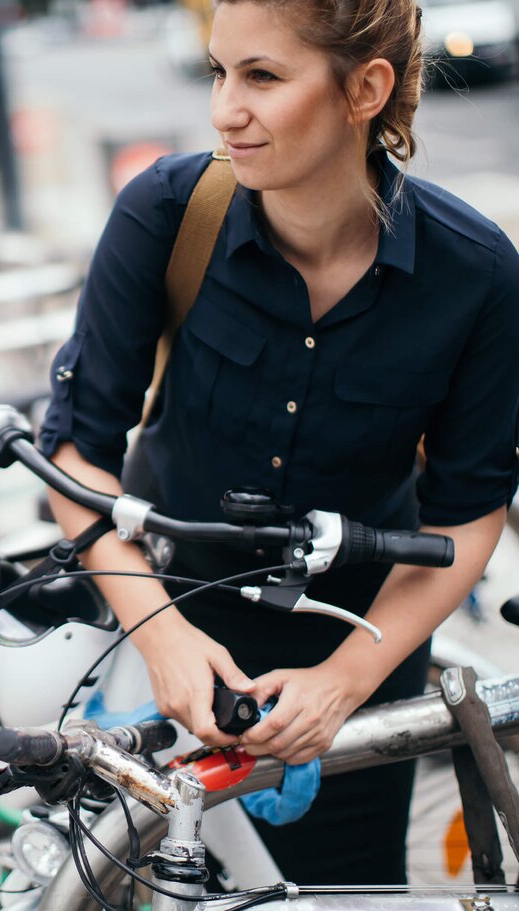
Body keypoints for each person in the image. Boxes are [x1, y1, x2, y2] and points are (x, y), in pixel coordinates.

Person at [39, 0, 519, 885]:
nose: (225, 108)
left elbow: (470, 511)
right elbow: (75, 457)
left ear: (363, 89)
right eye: (219, 71)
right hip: (166, 620)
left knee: (344, 892)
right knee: (147, 883)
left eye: (262, 77)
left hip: (360, 638)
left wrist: (343, 679)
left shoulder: (476, 273)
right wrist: (159, 634)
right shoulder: (166, 211)